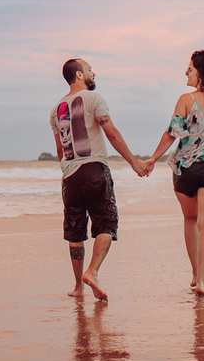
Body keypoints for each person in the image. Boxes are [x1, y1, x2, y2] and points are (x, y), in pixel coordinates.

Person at [142, 50, 204, 295]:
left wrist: (153, 159)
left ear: (202, 73)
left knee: (190, 220)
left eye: (190, 69)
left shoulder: (186, 100)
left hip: (185, 168)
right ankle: (203, 282)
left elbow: (171, 134)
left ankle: (195, 274)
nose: (185, 73)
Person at [50, 58, 151, 301]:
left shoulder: (55, 110)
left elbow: (60, 151)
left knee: (75, 231)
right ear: (78, 75)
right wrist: (135, 163)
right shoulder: (94, 99)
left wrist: (67, 172)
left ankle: (77, 287)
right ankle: (92, 272)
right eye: (89, 70)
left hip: (70, 177)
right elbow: (111, 132)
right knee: (106, 223)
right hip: (94, 169)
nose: (93, 73)